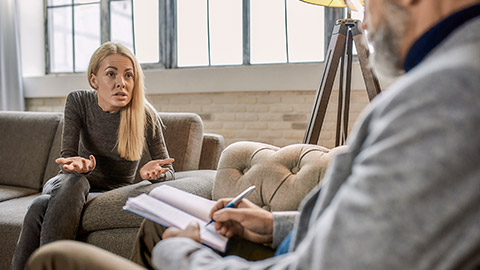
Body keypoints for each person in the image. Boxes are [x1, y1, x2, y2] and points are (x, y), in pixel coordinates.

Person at [25, 0, 480, 269]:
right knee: (98, 212)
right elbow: (374, 232)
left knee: (58, 259)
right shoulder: (444, 80)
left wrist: (182, 255)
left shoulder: (445, 95)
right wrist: (272, 226)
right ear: (93, 78)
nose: (363, 17)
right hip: (290, 244)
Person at [12, 41, 176, 270]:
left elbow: (168, 170)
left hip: (110, 193)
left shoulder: (145, 115)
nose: (121, 82)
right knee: (75, 182)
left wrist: (155, 174)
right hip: (67, 185)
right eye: (111, 74)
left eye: (129, 75)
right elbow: (66, 159)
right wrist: (76, 165)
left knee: (39, 206)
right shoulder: (78, 101)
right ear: (94, 80)